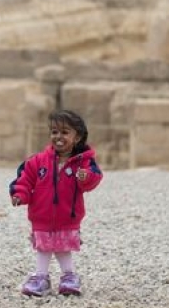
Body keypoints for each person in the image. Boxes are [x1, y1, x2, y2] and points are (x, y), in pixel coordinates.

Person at [9, 110, 103, 297]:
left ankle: (69, 277)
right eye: (54, 132)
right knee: (43, 248)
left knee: (62, 247)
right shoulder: (38, 161)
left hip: (68, 215)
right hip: (41, 215)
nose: (58, 137)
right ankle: (41, 277)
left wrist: (86, 177)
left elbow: (93, 179)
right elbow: (24, 179)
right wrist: (19, 194)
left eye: (65, 132)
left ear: (77, 137)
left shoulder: (82, 163)